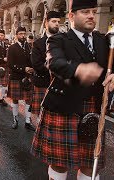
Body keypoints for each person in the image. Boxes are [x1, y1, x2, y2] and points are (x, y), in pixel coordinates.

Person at [31, 0, 110, 179]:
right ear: (72, 16)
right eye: (85, 12)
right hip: (64, 108)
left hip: (93, 110)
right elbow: (54, 62)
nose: (91, 15)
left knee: (91, 166)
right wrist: (78, 69)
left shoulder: (103, 40)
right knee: (59, 166)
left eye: (93, 11)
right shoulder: (58, 39)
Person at [30, 11, 61, 123]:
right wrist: (56, 68)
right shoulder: (38, 43)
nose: (57, 24)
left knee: (57, 118)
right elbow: (36, 64)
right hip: (43, 83)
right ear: (46, 24)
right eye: (53, 21)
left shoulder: (65, 41)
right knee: (41, 117)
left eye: (58, 22)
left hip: (60, 85)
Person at [7, 26, 35, 131]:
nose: (23, 36)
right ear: (16, 35)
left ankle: (28, 121)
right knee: (15, 100)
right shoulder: (12, 48)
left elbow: (31, 61)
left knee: (28, 100)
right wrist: (24, 69)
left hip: (27, 78)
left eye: (24, 34)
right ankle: (15, 120)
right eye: (20, 34)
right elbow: (10, 64)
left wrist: (32, 68)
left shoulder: (29, 47)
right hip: (16, 77)